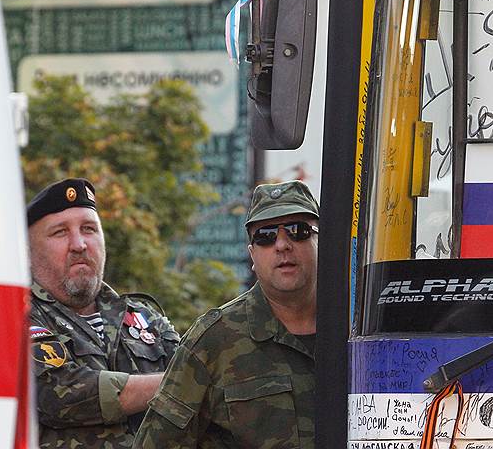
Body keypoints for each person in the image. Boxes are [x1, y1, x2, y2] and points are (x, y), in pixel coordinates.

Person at [133, 180, 319, 449]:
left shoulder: (358, 326)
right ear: (252, 255)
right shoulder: (213, 341)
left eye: (297, 230)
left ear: (322, 241)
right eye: (265, 236)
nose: (282, 244)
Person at [27, 177, 180, 448]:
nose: (79, 244)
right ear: (28, 252)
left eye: (88, 229)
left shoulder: (146, 319)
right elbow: (60, 394)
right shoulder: (18, 316)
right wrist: (178, 386)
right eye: (60, 233)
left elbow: (202, 391)